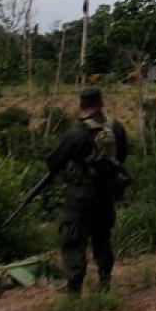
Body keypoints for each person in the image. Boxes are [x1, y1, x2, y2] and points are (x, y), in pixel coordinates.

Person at [45, 87, 129, 295]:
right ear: (102, 104)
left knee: (73, 242)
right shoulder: (116, 128)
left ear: (81, 107)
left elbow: (53, 162)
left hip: (79, 197)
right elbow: (121, 157)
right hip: (106, 195)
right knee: (102, 240)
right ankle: (104, 284)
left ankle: (74, 292)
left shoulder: (75, 134)